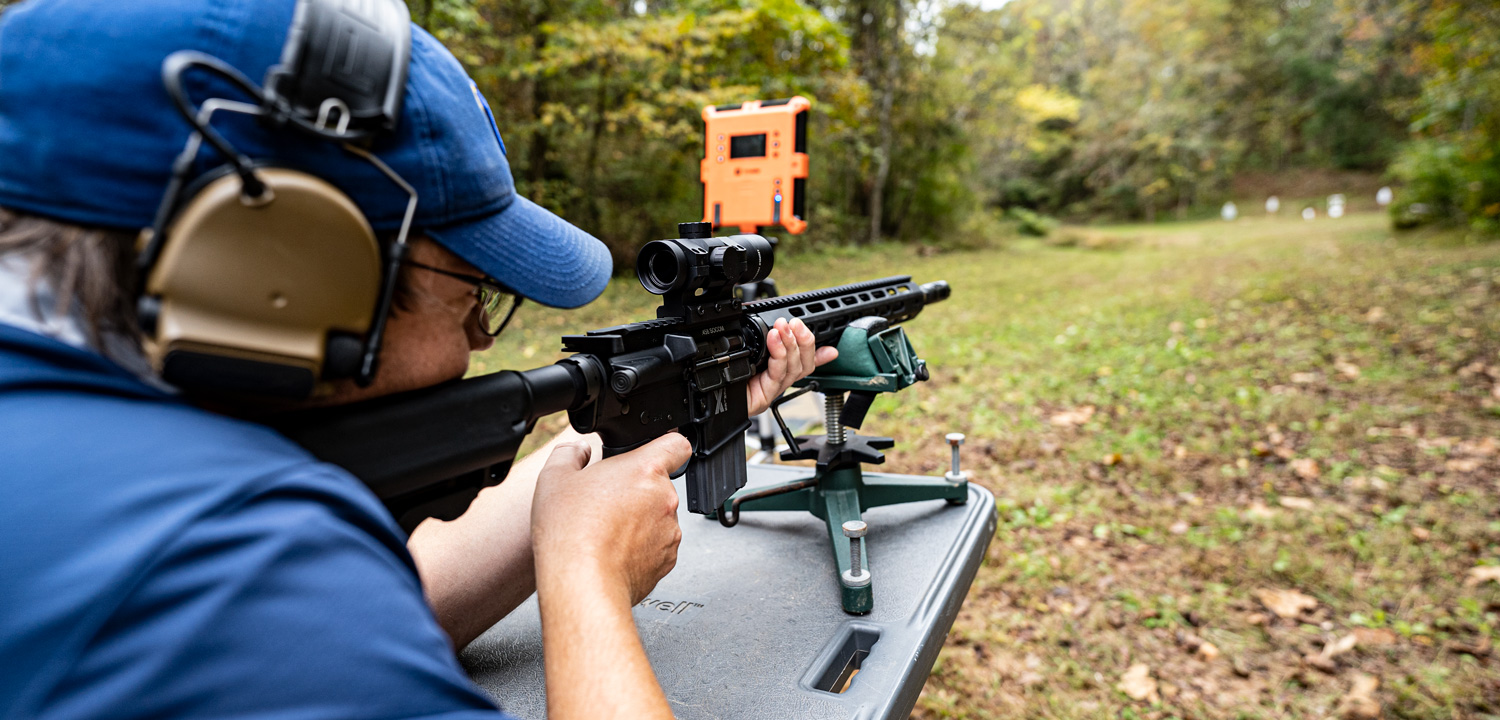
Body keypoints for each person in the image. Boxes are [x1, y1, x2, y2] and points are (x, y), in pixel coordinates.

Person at [0, 1, 835, 718]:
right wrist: (589, 581)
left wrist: (641, 436)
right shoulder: (221, 564)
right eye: (469, 289)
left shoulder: (88, 467)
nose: (481, 337)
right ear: (285, 272)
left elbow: (354, 601)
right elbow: (294, 605)